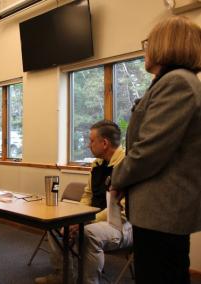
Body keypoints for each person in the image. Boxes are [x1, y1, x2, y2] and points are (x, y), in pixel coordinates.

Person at [111, 16, 201, 284]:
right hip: (158, 212)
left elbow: (148, 150)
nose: (146, 50)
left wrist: (115, 178)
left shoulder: (178, 83)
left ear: (165, 45)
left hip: (162, 213)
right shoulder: (172, 82)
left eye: (148, 43)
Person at [35, 120, 132, 284]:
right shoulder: (96, 165)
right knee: (56, 223)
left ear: (105, 143)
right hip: (93, 218)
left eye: (91, 141)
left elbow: (119, 210)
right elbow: (87, 195)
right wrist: (74, 218)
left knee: (88, 233)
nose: (89, 145)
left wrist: (83, 221)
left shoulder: (127, 166)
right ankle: (64, 275)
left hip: (121, 224)